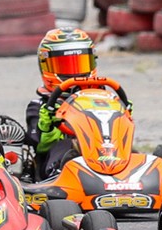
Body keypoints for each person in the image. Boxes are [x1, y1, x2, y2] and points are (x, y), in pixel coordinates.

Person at [24, 27, 131, 179]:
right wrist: (47, 126)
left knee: (131, 151)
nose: (75, 73)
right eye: (64, 66)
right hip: (60, 164)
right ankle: (61, 175)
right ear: (45, 66)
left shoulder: (104, 99)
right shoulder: (39, 105)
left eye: (81, 64)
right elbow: (40, 147)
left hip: (104, 153)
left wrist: (122, 112)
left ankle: (130, 173)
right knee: (68, 146)